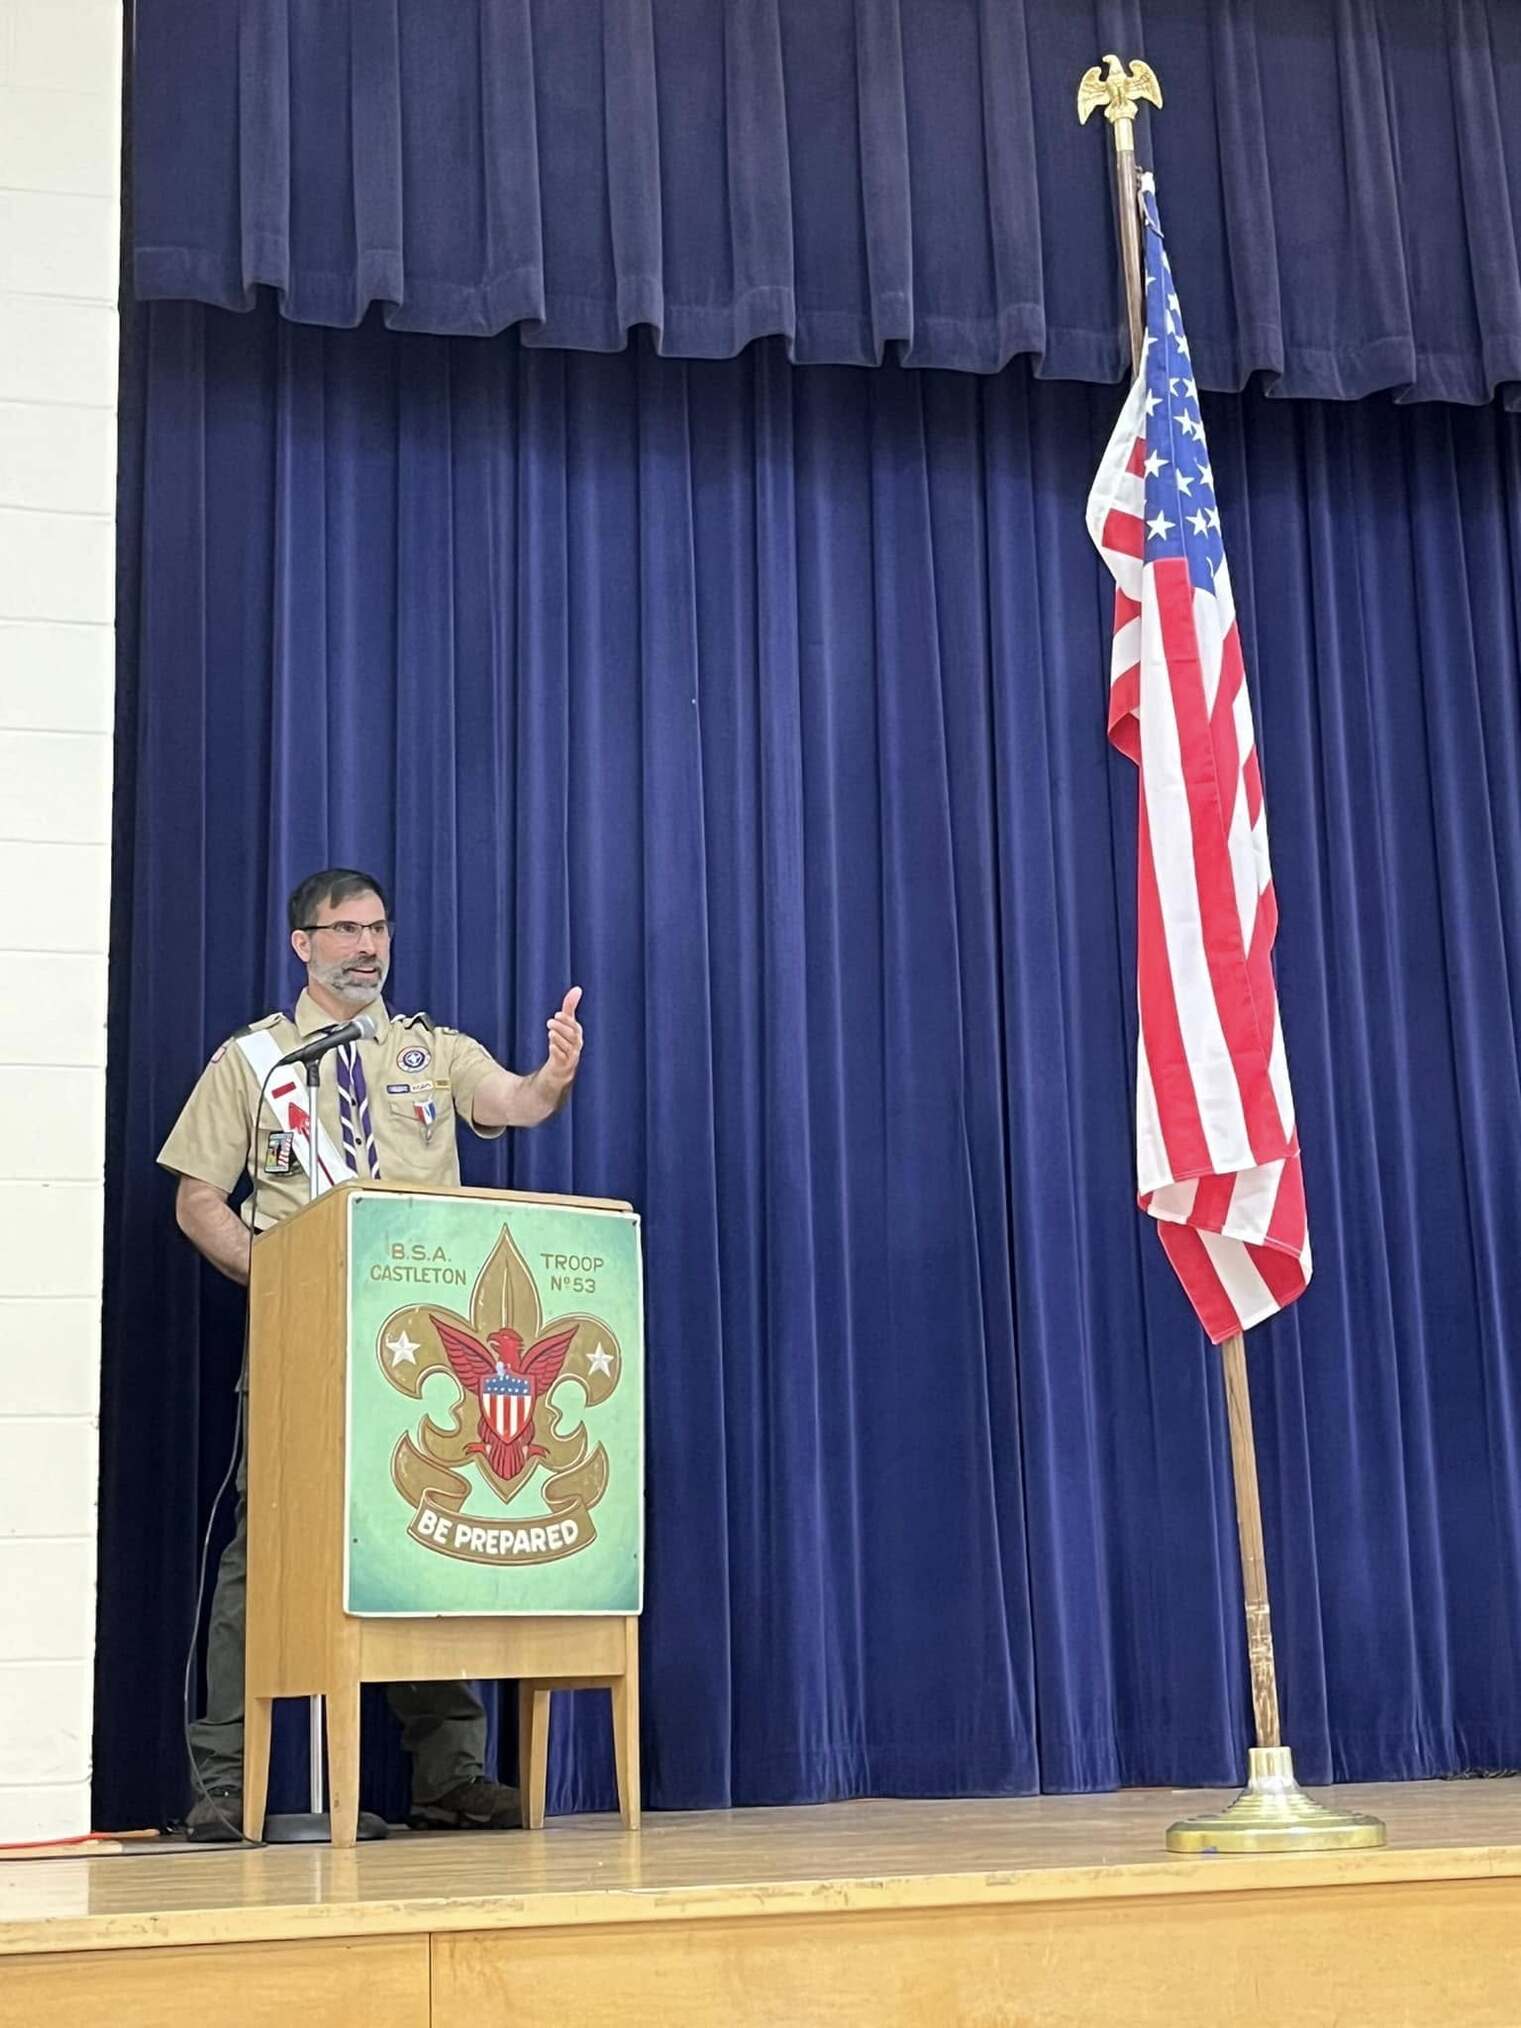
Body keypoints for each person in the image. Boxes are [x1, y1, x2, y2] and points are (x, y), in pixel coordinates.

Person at [158, 867, 584, 1840]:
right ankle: (230, 1782)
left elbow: (512, 1101)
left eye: (377, 928)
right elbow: (196, 1198)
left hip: (423, 1356)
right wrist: (274, 1277)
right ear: (301, 943)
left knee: (425, 1546)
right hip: (304, 1341)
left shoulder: (429, 1050)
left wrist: (551, 1078)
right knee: (263, 1556)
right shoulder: (256, 1061)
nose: (366, 946)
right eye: (344, 930)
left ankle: (448, 1773)